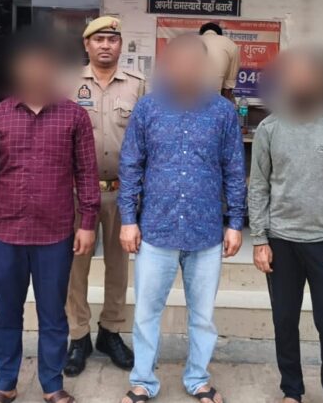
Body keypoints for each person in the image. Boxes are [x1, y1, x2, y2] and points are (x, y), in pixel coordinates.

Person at [0, 27, 99, 403]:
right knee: (6, 313)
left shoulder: (74, 117)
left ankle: (52, 384)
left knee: (53, 314)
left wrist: (87, 223)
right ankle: (5, 382)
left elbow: (86, 174)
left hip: (55, 234)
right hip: (5, 234)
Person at [117, 34, 247, 403]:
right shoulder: (148, 108)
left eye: (194, 62)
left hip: (206, 233)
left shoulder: (222, 112)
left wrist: (235, 222)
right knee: (146, 313)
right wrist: (128, 218)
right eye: (179, 62)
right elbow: (131, 165)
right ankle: (143, 381)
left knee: (202, 316)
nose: (186, 69)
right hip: (156, 230)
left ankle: (198, 379)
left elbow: (234, 170)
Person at [249, 48, 323, 403]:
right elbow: (259, 186)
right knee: (285, 321)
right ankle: (292, 390)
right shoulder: (270, 128)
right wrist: (259, 239)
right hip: (280, 243)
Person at [64, 16, 144, 376]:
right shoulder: (67, 83)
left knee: (118, 266)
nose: (106, 45)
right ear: (86, 45)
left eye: (112, 39)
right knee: (74, 267)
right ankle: (78, 335)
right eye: (99, 39)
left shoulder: (138, 86)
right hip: (76, 193)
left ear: (120, 44)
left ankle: (110, 331)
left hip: (122, 193)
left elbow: (147, 137)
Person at [199, 22, 240, 103]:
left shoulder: (193, 42)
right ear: (220, 35)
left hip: (190, 98)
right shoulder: (230, 44)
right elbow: (228, 87)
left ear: (201, 34)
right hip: (216, 99)